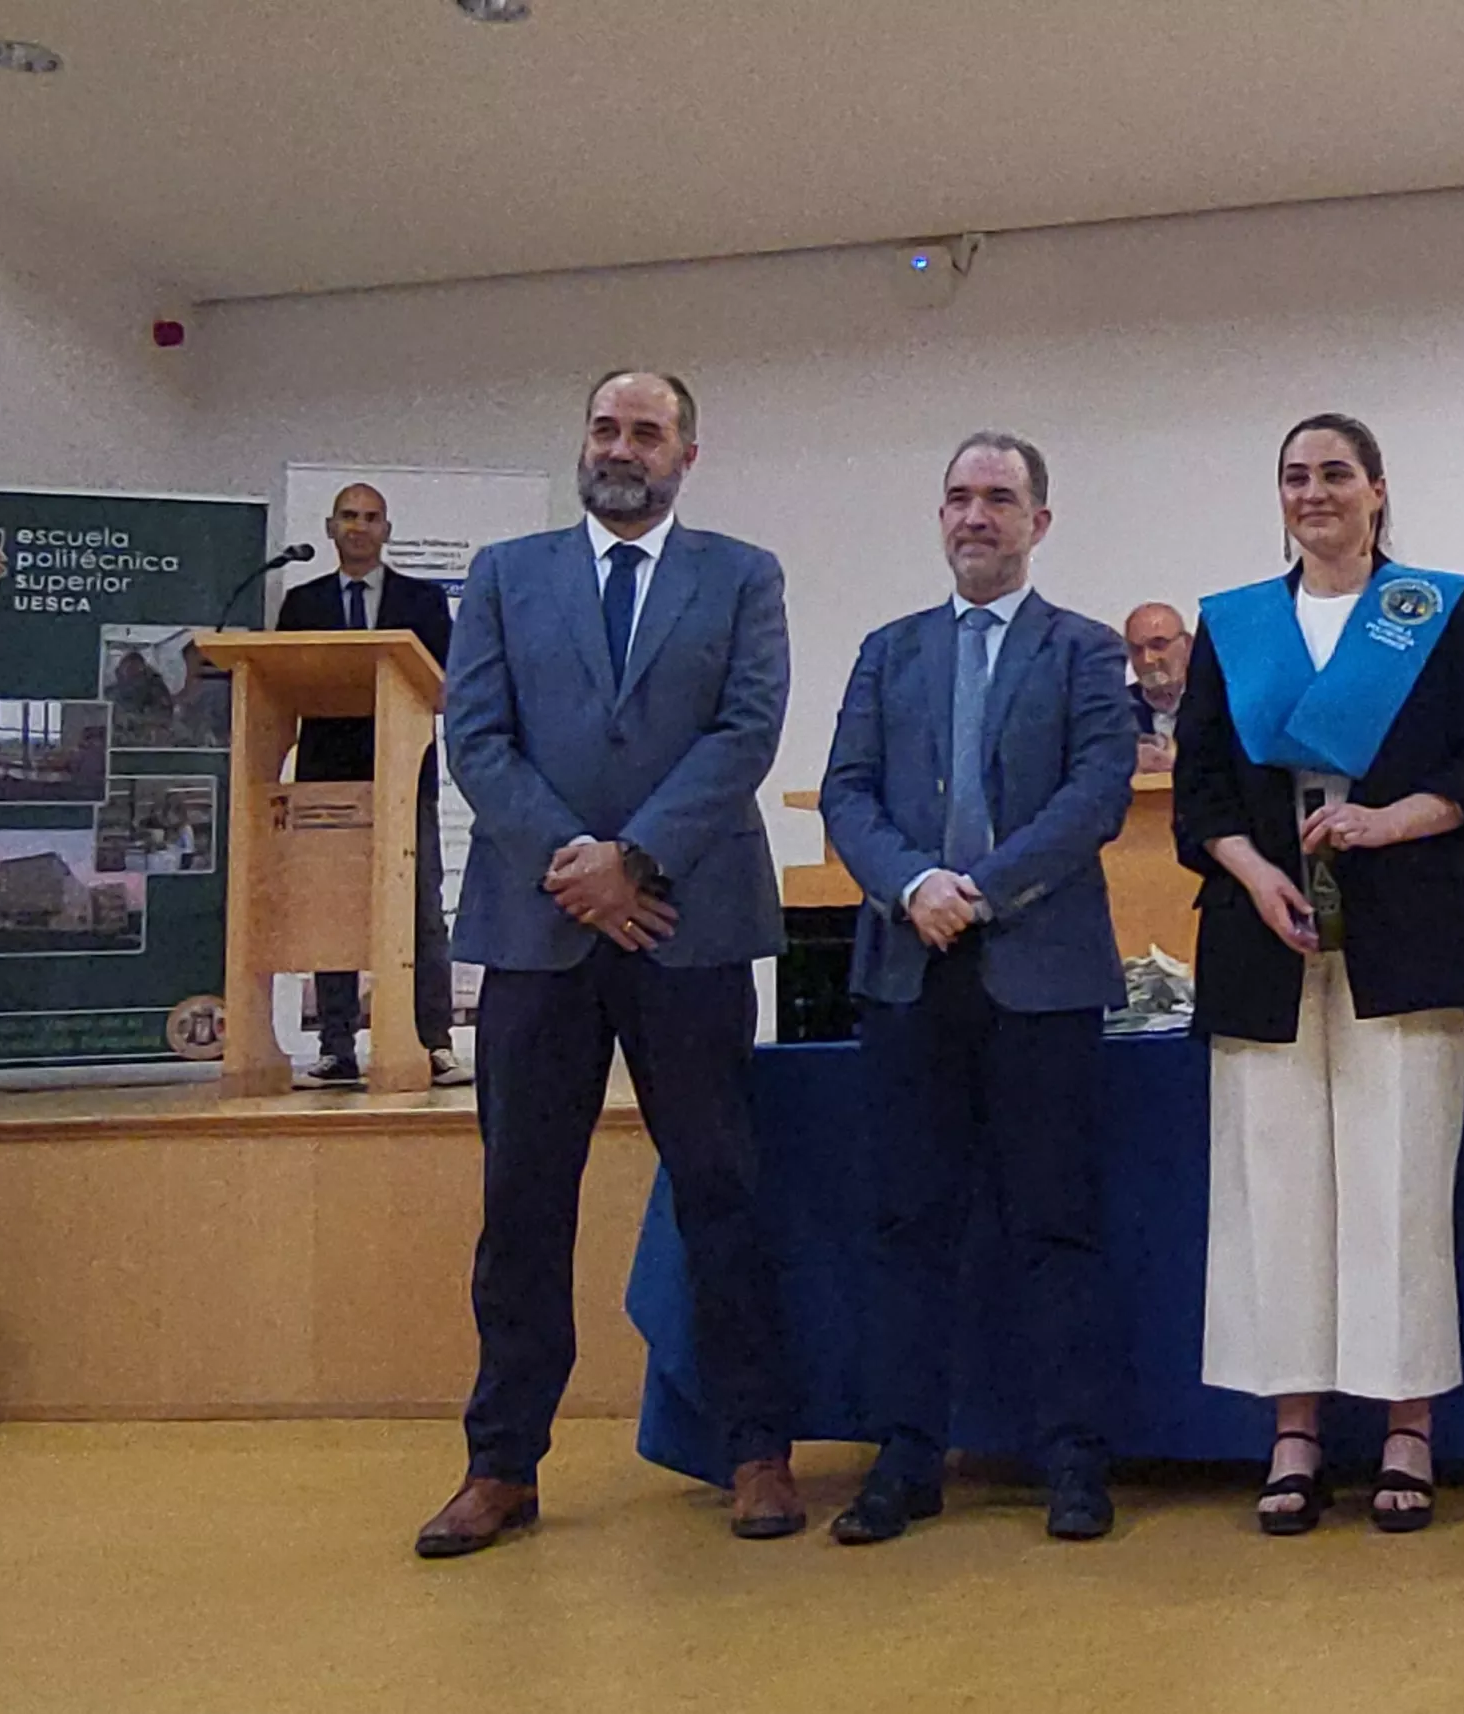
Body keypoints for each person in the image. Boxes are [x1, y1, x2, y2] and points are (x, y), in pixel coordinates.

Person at [416, 371, 800, 1557]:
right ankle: (500, 1466)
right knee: (521, 1205)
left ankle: (755, 1449)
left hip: (690, 922)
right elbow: (473, 734)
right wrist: (574, 866)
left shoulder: (742, 575)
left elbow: (747, 728)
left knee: (721, 1190)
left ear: (689, 452)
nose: (621, 447)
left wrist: (634, 860)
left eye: (647, 431)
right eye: (605, 427)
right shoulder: (502, 575)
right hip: (536, 933)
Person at [1173, 413, 1464, 1535]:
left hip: (1405, 931)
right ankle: (1294, 1428)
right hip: (1263, 940)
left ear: (1378, 489)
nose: (1313, 492)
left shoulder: (1438, 607)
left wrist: (1386, 824)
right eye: (1294, 476)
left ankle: (1407, 1423)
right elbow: (1203, 794)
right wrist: (1254, 873)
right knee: (1274, 1189)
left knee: (1400, 1181)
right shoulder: (1232, 625)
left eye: (1335, 474)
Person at [817, 432, 1139, 1544]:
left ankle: (1073, 1462)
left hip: (1039, 979)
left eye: (999, 498)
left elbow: (1097, 793)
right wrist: (912, 884)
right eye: (958, 497)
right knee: (907, 1226)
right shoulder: (886, 651)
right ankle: (904, 1460)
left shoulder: (1085, 650)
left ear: (1038, 521)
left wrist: (981, 890)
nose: (975, 516)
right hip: (909, 975)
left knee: (1057, 1226)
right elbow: (846, 793)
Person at [274, 483, 467, 1087]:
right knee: (334, 907)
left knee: (421, 909)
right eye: (348, 517)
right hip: (328, 777)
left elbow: (447, 683)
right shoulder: (301, 604)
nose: (359, 527)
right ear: (331, 528)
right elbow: (283, 683)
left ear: (388, 530)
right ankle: (336, 1046)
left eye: (371, 518)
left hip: (406, 774)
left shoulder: (423, 601)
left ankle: (431, 1041)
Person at [1124, 601, 1193, 774]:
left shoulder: (1217, 701)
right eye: (1136, 649)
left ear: (1187, 645)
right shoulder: (1116, 710)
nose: (1147, 659)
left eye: (1158, 645)